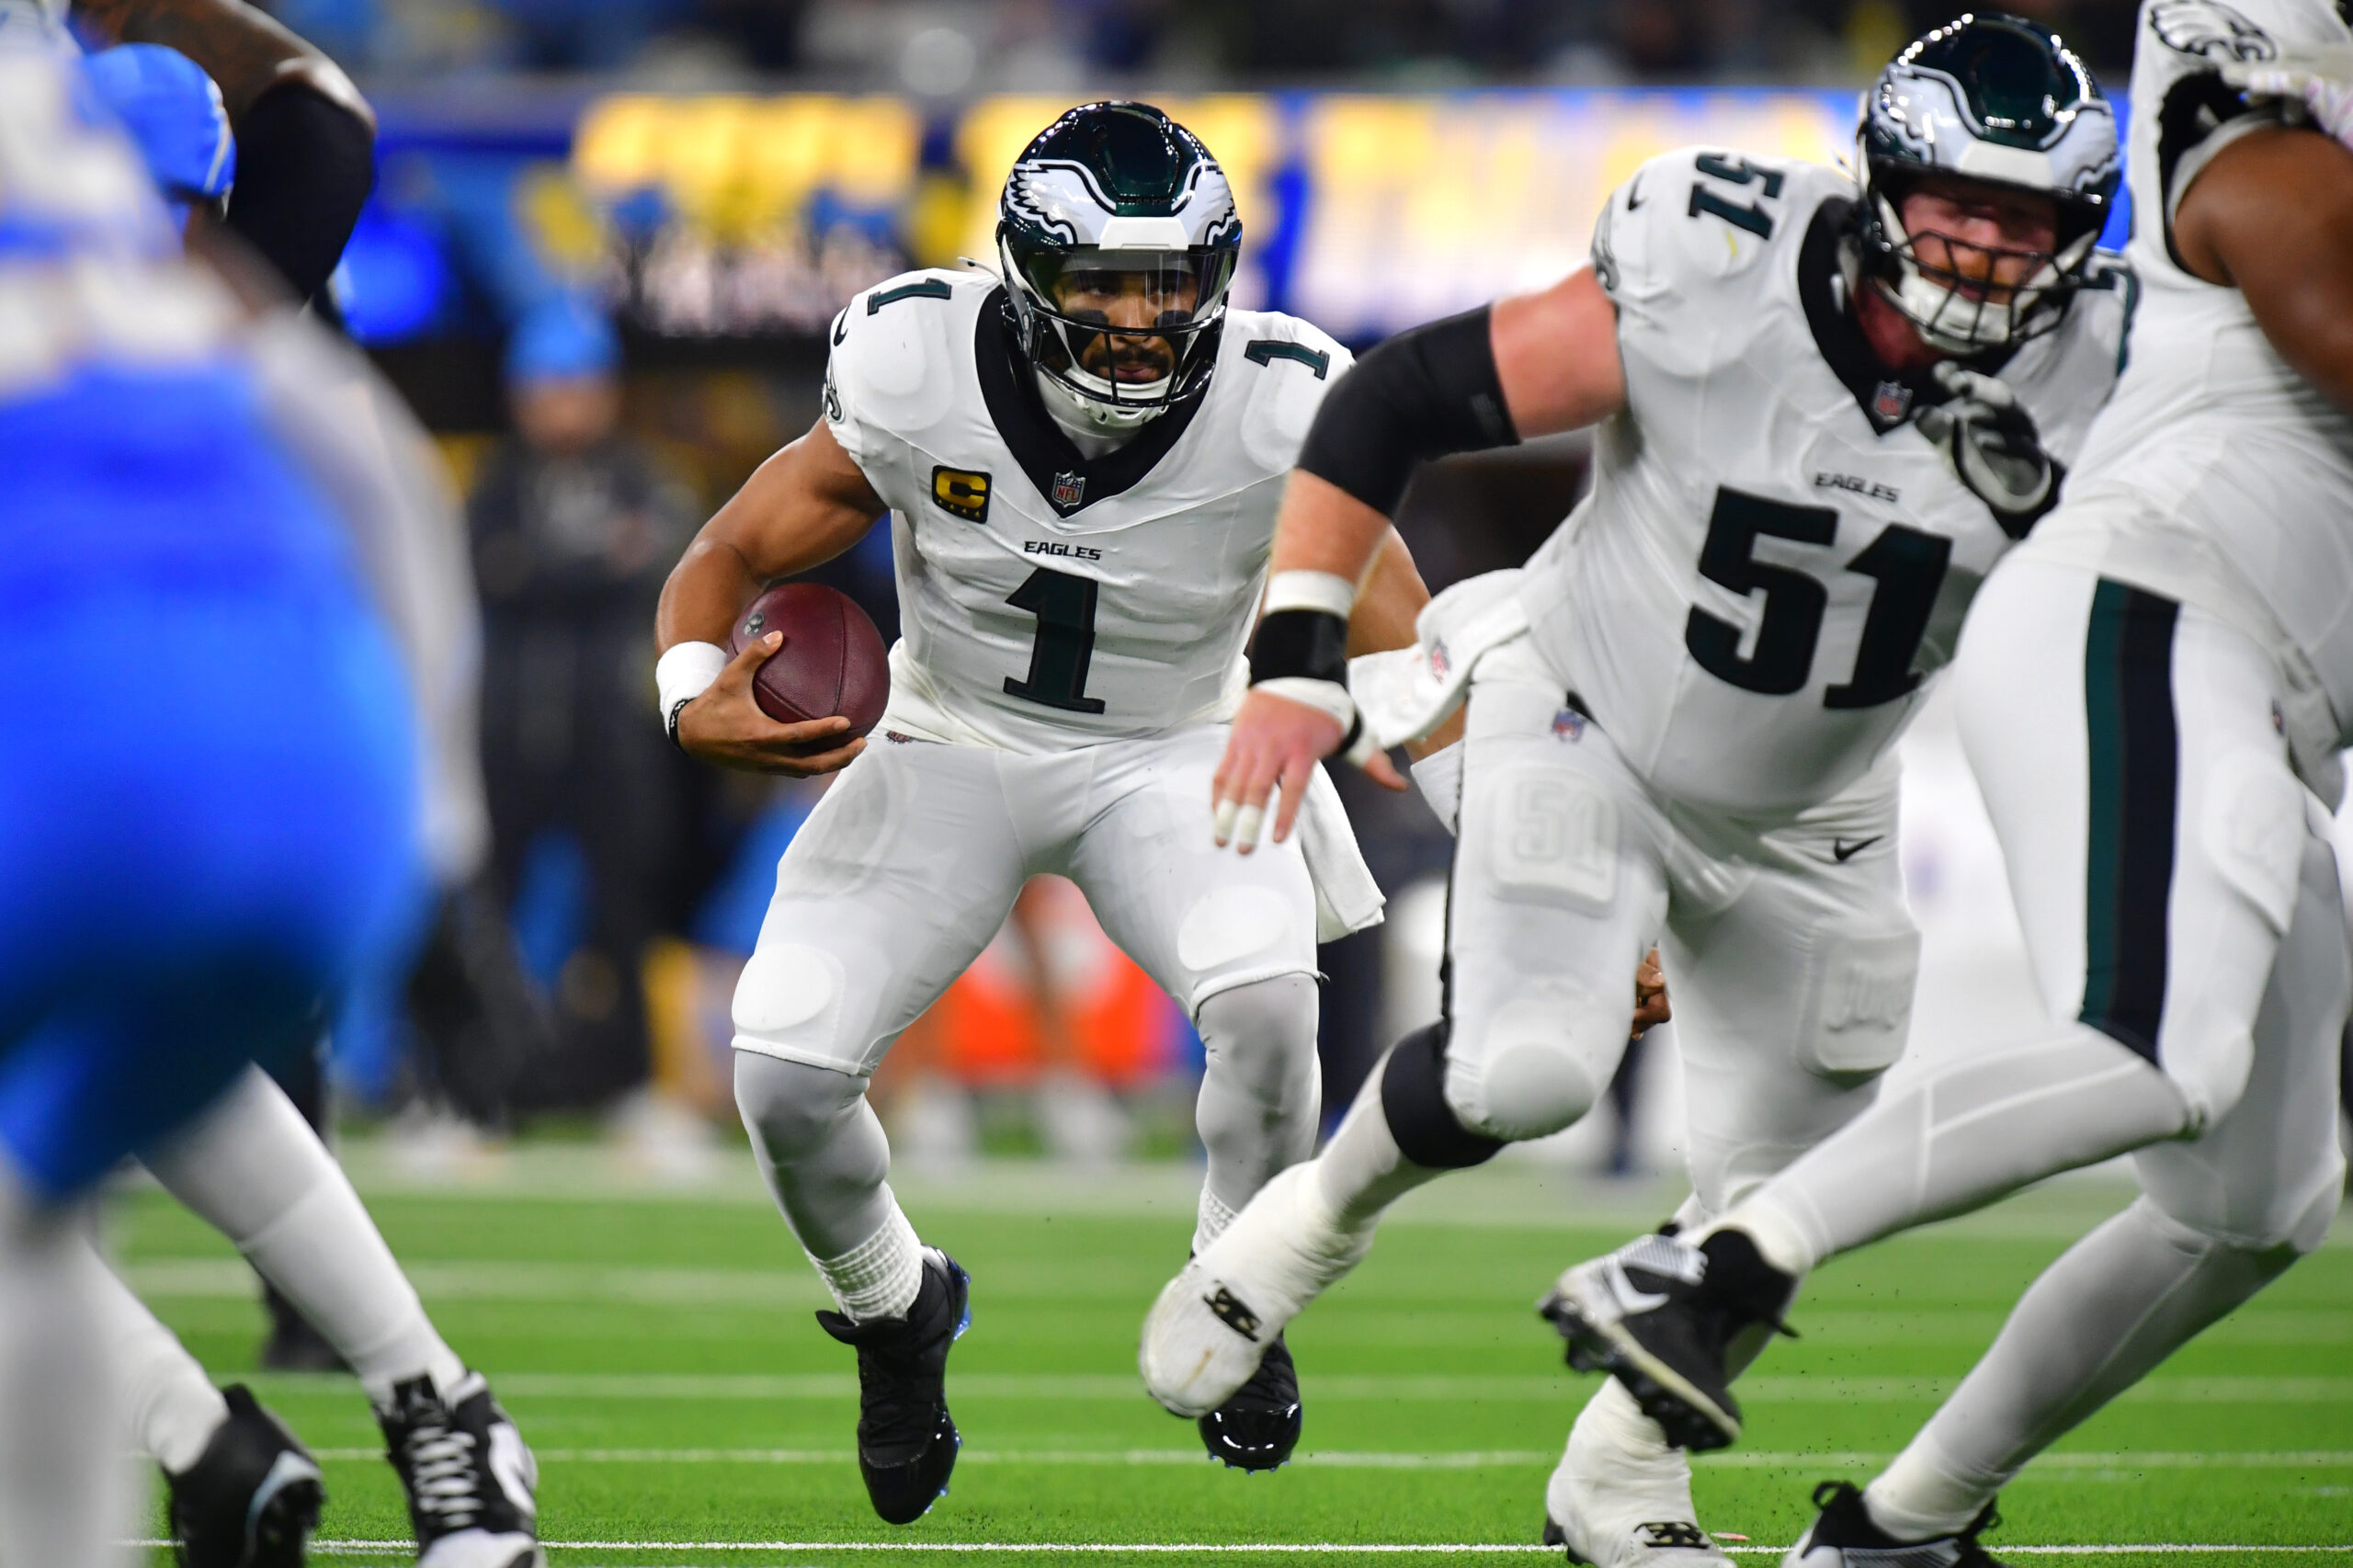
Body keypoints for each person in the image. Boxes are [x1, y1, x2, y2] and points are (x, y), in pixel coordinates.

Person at [1135, 17, 2133, 1564]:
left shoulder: (2110, 367)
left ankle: (1620, 1476)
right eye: (1960, 201)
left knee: (1783, 1191)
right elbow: (1400, 396)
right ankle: (1309, 1223)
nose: (1990, 247)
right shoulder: (1719, 264)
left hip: (1822, 792)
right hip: (1588, 713)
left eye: (2030, 217)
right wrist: (1296, 655)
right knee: (1528, 1070)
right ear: (1881, 183)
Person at [1540, 3, 2353, 1562]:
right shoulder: (2255, 136)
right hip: (2165, 613)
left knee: (2257, 1204)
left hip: (2263, 699)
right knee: (2158, 1049)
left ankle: (1902, 1525)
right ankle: (1709, 1265)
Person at [655, 100, 1442, 1517]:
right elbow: (732, 543)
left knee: (1272, 1014)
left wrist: (1509, 840)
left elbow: (1409, 646)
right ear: (1027, 274)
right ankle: (897, 1308)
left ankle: (1236, 1291)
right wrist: (685, 687)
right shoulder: (915, 363)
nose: (1141, 319)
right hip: (952, 736)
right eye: (1103, 281)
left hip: (1177, 747)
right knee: (781, 1068)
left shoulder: (1283, 397)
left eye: (1170, 281)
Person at [54, 22, 546, 1566]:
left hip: (186, 767)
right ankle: (340, 1427)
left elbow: (396, 554)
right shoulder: (247, 352)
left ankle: (246, 1434)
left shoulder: (256, 369)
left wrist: (441, 866)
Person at [0, 43, 418, 1568]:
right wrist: (442, 841)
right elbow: (388, 493)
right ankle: (422, 1406)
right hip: (323, 781)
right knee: (44, 1177)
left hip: (63, 755)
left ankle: (207, 1435)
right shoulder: (227, 321)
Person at [473, 293, 699, 1111]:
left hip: (614, 729)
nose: (560, 404)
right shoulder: (500, 480)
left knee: (629, 910)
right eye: (544, 387)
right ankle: (478, 1086)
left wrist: (548, 568)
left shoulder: (642, 475)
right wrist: (594, 562)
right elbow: (491, 570)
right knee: (488, 913)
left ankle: (637, 1088)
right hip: (512, 725)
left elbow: (661, 562)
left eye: (575, 385)